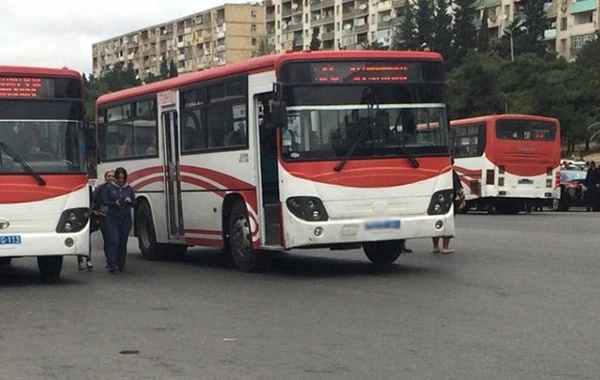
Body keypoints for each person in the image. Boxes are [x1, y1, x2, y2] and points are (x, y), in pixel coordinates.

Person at [79, 169, 115, 271]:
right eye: (109, 176)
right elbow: (92, 200)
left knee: (109, 240)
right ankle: (85, 260)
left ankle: (110, 261)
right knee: (87, 238)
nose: (111, 178)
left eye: (113, 176)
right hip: (97, 215)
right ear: (105, 177)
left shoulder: (117, 189)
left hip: (110, 217)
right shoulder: (100, 188)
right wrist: (93, 211)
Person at [103, 167, 136, 274]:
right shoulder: (110, 188)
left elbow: (135, 204)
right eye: (119, 178)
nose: (121, 180)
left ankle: (121, 264)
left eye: (123, 178)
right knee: (114, 240)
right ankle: (112, 264)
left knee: (123, 242)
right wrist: (114, 203)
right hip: (112, 217)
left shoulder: (129, 189)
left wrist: (130, 201)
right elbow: (105, 201)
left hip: (125, 218)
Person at [432, 161, 464, 254]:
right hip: (449, 201)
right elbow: (458, 188)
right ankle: (445, 247)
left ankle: (435, 246)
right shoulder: (451, 173)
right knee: (448, 223)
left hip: (437, 201)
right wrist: (462, 199)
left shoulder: (437, 172)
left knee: (437, 222)